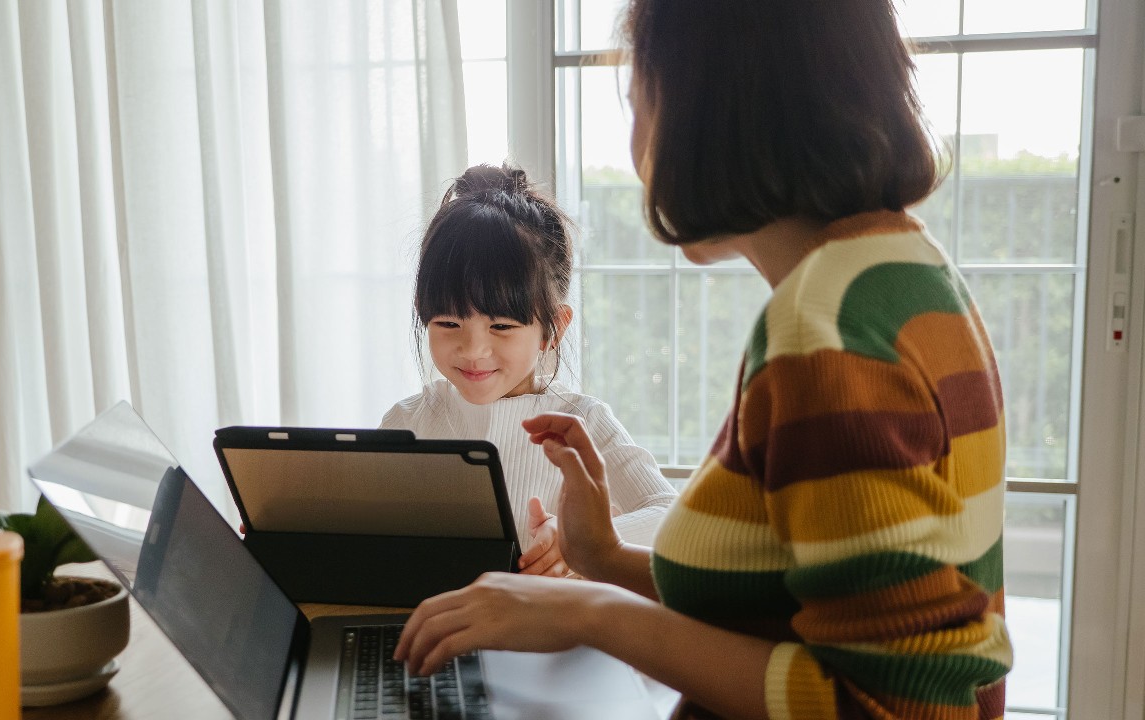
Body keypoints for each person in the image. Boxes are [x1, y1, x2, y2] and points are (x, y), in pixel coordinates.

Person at [395, 1, 1012, 718]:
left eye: (638, 99)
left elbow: (883, 707)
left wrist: (589, 612)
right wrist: (604, 560)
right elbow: (785, 593)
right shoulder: (903, 275)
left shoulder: (829, 340)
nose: (635, 142)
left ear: (708, 106)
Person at [381, 162, 678, 578]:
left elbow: (669, 515)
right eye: (448, 323)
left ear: (552, 329)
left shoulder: (584, 422)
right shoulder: (406, 422)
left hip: (548, 636)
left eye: (501, 326)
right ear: (423, 316)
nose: (473, 350)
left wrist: (581, 539)